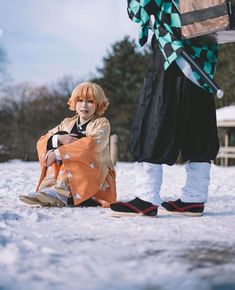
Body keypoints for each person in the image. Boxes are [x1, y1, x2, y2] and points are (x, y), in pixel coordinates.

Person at [110, 0, 219, 217]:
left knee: (154, 116)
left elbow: (140, 10)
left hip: (173, 49)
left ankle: (146, 197)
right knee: (198, 121)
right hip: (204, 51)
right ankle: (194, 198)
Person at [20, 82, 116, 207]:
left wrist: (58, 153)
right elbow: (43, 140)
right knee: (54, 142)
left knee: (67, 154)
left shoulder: (101, 123)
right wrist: (58, 139)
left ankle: (59, 193)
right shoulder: (67, 123)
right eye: (80, 100)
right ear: (74, 102)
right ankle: (49, 190)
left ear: (98, 104)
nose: (84, 105)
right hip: (68, 176)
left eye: (90, 101)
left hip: (95, 178)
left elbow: (92, 146)